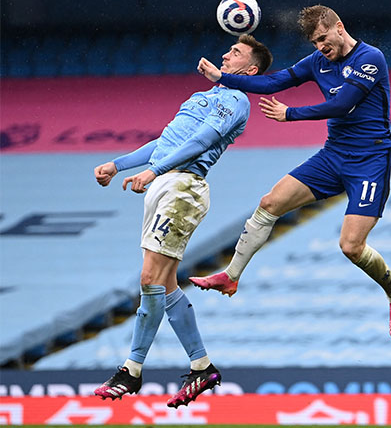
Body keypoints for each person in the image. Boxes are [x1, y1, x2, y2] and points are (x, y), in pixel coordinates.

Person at [191, 5, 391, 337]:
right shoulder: (318, 61)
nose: (321, 48)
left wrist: (290, 114)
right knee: (269, 203)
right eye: (314, 43)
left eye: (323, 39)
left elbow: (342, 104)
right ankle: (231, 276)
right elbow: (273, 83)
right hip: (333, 155)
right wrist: (222, 77)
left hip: (369, 161)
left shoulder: (370, 58)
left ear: (339, 27)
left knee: (351, 246)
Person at [91, 34, 273, 408]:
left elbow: (203, 141)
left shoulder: (237, 100)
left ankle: (132, 369)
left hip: (183, 187)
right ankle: (201, 366)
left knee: (149, 279)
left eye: (235, 53)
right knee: (165, 283)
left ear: (251, 70)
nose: (226, 54)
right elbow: (167, 139)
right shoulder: (200, 97)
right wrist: (118, 164)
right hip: (166, 183)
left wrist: (154, 171)